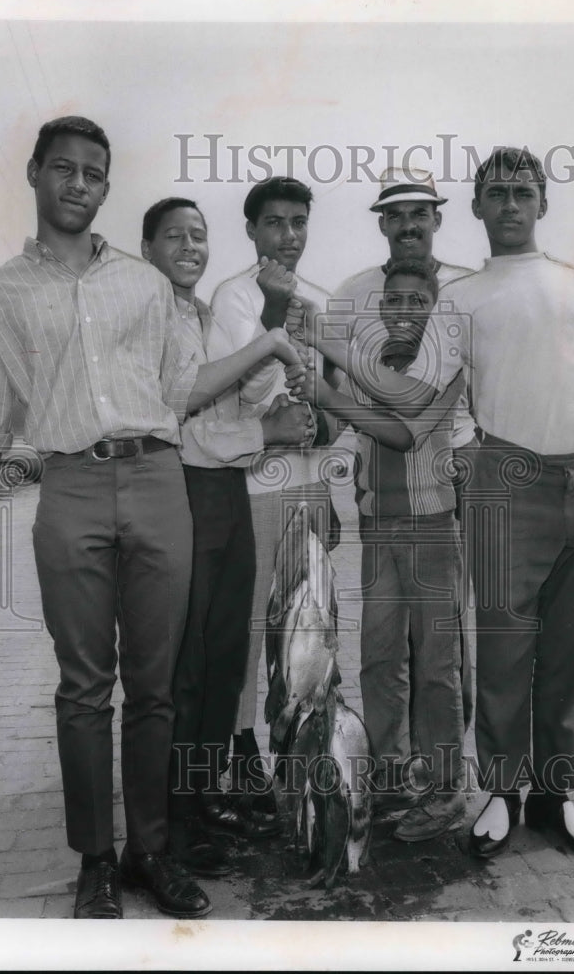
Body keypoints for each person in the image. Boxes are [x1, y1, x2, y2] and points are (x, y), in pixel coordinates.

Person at [0, 117, 310, 923]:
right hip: (70, 488)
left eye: (94, 174)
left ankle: (151, 850)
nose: (79, 185)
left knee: (155, 687)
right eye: (64, 170)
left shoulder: (145, 287)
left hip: (158, 482)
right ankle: (94, 861)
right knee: (84, 689)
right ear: (36, 173)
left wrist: (267, 345)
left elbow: (186, 389)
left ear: (106, 187)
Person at [287, 146, 574, 862]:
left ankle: (521, 794)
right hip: (440, 491)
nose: (509, 205)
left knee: (527, 649)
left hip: (520, 484)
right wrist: (325, 404)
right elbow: (382, 404)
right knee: (441, 651)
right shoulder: (407, 295)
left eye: (521, 192)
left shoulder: (536, 285)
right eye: (495, 193)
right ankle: (442, 789)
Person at [140, 197, 313, 871]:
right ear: (148, 247)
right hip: (183, 491)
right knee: (186, 667)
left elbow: (241, 395)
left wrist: (270, 346)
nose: (189, 246)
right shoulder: (147, 315)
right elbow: (180, 419)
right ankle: (174, 823)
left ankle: (205, 792)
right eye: (173, 236)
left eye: (198, 235)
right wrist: (264, 428)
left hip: (225, 490)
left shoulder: (206, 316)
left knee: (221, 657)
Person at [294, 258, 468, 840]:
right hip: (378, 529)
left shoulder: (447, 365)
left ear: (435, 310)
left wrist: (328, 388)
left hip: (431, 530)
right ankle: (394, 777)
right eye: (392, 302)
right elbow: (336, 430)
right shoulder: (366, 367)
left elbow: (403, 429)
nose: (402, 313)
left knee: (436, 666)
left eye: (417, 303)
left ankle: (445, 791)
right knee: (379, 657)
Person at [206, 176, 335, 812]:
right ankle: (241, 746)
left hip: (311, 487)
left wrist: (326, 451)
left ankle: (298, 742)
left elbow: (334, 408)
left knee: (307, 623)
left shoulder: (321, 298)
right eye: (276, 222)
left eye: (299, 222)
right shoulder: (232, 298)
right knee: (252, 623)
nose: (289, 235)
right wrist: (275, 318)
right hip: (254, 485)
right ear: (252, 230)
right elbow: (236, 399)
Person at [333, 166, 475, 737]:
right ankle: (390, 771)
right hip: (379, 504)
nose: (408, 224)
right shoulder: (354, 292)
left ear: (438, 217)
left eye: (420, 212)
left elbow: (425, 412)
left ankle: (440, 776)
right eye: (395, 214)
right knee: (381, 648)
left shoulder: (466, 287)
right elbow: (346, 404)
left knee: (440, 644)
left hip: (447, 485)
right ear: (383, 223)